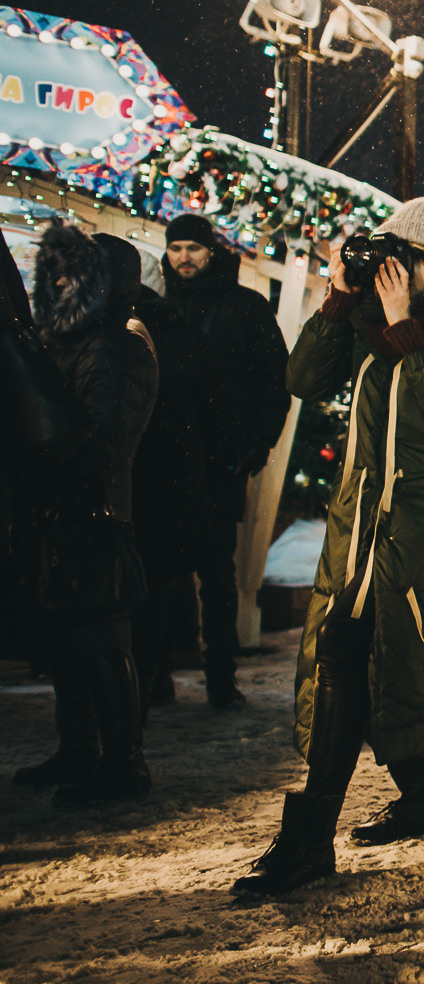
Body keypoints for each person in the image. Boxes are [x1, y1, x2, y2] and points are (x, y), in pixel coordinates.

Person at [234, 197, 424, 896]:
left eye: (398, 256)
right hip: (368, 516)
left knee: (364, 650)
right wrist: (337, 302)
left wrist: (410, 324)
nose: (386, 268)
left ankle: (309, 839)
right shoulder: (371, 313)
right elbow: (302, 380)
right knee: (357, 652)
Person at [17, 226, 157, 806]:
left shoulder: (116, 343)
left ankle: (123, 762)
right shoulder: (81, 336)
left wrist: (51, 457)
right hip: (69, 506)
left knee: (100, 638)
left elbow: (104, 433)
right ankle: (78, 748)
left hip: (95, 509)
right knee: (70, 637)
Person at [160, 213, 291, 708]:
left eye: (193, 247)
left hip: (220, 461)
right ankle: (159, 672)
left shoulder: (244, 307)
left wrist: (255, 445)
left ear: (210, 251)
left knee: (216, 573)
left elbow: (276, 381)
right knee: (163, 570)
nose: (184, 257)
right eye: (176, 249)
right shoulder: (159, 305)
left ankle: (220, 675)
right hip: (166, 463)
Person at [129, 256, 214, 708]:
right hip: (175, 480)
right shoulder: (182, 337)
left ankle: (143, 685)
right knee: (163, 580)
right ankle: (154, 675)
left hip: (145, 480)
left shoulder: (132, 338)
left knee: (149, 584)